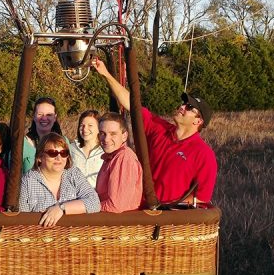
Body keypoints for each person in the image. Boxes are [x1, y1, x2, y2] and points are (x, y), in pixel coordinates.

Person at [92, 58, 218, 204]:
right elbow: (132, 105)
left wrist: (170, 209)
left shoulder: (204, 154)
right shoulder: (159, 129)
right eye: (183, 104)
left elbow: (201, 198)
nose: (182, 107)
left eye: (189, 108)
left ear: (198, 121)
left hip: (169, 220)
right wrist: (106, 74)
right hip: (139, 212)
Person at [18, 133, 100, 226]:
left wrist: (61, 208)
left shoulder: (73, 174)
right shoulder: (27, 182)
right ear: (39, 157)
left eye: (63, 153)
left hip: (73, 237)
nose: (58, 158)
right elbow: (22, 221)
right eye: (52, 153)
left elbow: (95, 202)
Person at [95, 112, 142, 212]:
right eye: (102, 133)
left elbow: (116, 206)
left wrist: (85, 207)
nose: (106, 139)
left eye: (113, 134)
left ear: (124, 136)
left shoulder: (123, 158)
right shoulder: (111, 157)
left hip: (121, 225)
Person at [21, 97, 64, 174]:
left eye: (49, 115)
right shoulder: (23, 144)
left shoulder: (64, 141)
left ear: (55, 117)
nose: (44, 118)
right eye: (40, 114)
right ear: (34, 116)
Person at [69, 109, 104, 188]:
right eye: (82, 125)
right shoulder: (71, 148)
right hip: (74, 198)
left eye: (90, 125)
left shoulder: (105, 151)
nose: (85, 129)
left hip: (98, 198)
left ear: (99, 127)